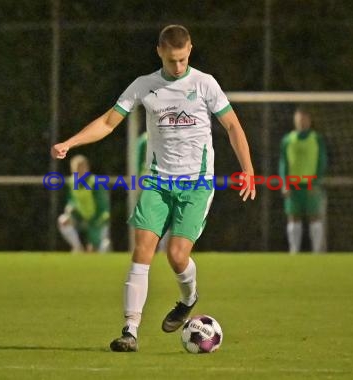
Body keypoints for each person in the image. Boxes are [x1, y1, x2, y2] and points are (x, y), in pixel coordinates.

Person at [51, 24, 255, 352]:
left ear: (190, 50)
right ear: (159, 51)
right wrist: (70, 142)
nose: (178, 66)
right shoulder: (145, 86)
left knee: (176, 256)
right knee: (142, 249)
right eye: (172, 60)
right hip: (158, 182)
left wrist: (247, 169)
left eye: (184, 59)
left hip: (196, 185)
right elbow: (107, 122)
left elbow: (232, 124)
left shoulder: (205, 84)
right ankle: (130, 331)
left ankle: (189, 298)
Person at [279, 107, 327, 254]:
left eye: (304, 118)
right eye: (299, 119)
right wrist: (284, 183)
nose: (301, 121)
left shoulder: (316, 139)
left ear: (309, 120)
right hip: (293, 184)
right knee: (293, 218)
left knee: (315, 217)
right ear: (295, 120)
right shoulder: (287, 140)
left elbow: (322, 161)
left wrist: (317, 181)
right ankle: (294, 251)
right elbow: (283, 163)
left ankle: (317, 252)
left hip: (311, 184)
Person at [58, 154, 111, 253]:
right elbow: (71, 200)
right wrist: (70, 207)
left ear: (87, 168)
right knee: (63, 220)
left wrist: (93, 225)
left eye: (81, 168)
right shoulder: (72, 182)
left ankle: (99, 245)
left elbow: (102, 207)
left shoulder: (95, 183)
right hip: (80, 218)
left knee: (101, 247)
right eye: (76, 169)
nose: (79, 171)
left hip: (97, 220)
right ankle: (78, 248)